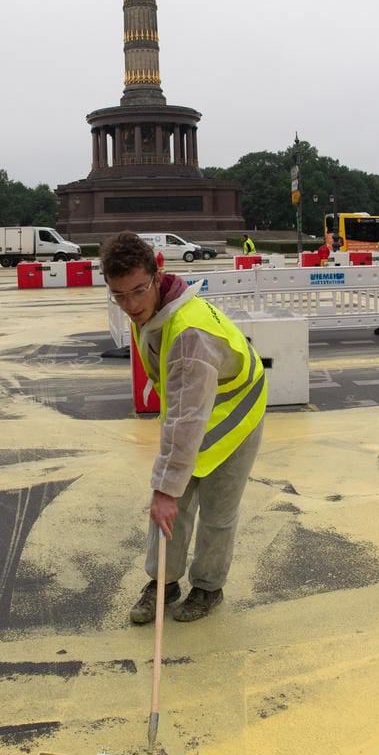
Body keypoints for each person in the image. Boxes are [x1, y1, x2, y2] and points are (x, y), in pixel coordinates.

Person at [101, 232, 267, 626]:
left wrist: (164, 488)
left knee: (216, 510)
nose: (131, 305)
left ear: (158, 277)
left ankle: (208, 587)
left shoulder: (190, 336)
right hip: (195, 410)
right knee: (171, 507)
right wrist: (170, 484)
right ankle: (163, 583)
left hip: (234, 418)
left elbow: (187, 419)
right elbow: (182, 412)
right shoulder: (155, 312)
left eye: (138, 291)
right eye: (119, 295)